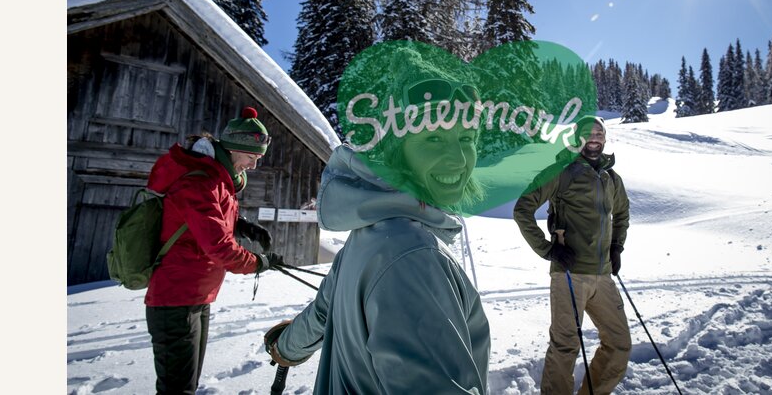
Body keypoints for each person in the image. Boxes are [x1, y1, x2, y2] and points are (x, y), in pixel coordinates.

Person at [263, 48, 491, 394]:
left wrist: (287, 347)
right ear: (396, 149)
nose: (459, 159)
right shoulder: (413, 256)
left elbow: (324, 311)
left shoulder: (372, 232)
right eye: (433, 138)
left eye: (466, 139)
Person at [145, 106, 283, 394]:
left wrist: (243, 226)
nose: (254, 166)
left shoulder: (218, 180)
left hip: (196, 296)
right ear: (233, 148)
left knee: (188, 385)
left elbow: (210, 221)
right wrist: (258, 262)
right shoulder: (201, 181)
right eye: (251, 157)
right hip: (175, 299)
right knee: (177, 389)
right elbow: (220, 248)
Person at [513, 115, 632, 395]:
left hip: (603, 276)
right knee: (566, 345)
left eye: (599, 134)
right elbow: (522, 209)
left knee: (619, 344)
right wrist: (548, 249)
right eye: (588, 133)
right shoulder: (560, 171)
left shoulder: (611, 177)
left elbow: (622, 214)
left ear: (605, 139)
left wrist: (617, 247)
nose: (594, 139)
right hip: (570, 273)